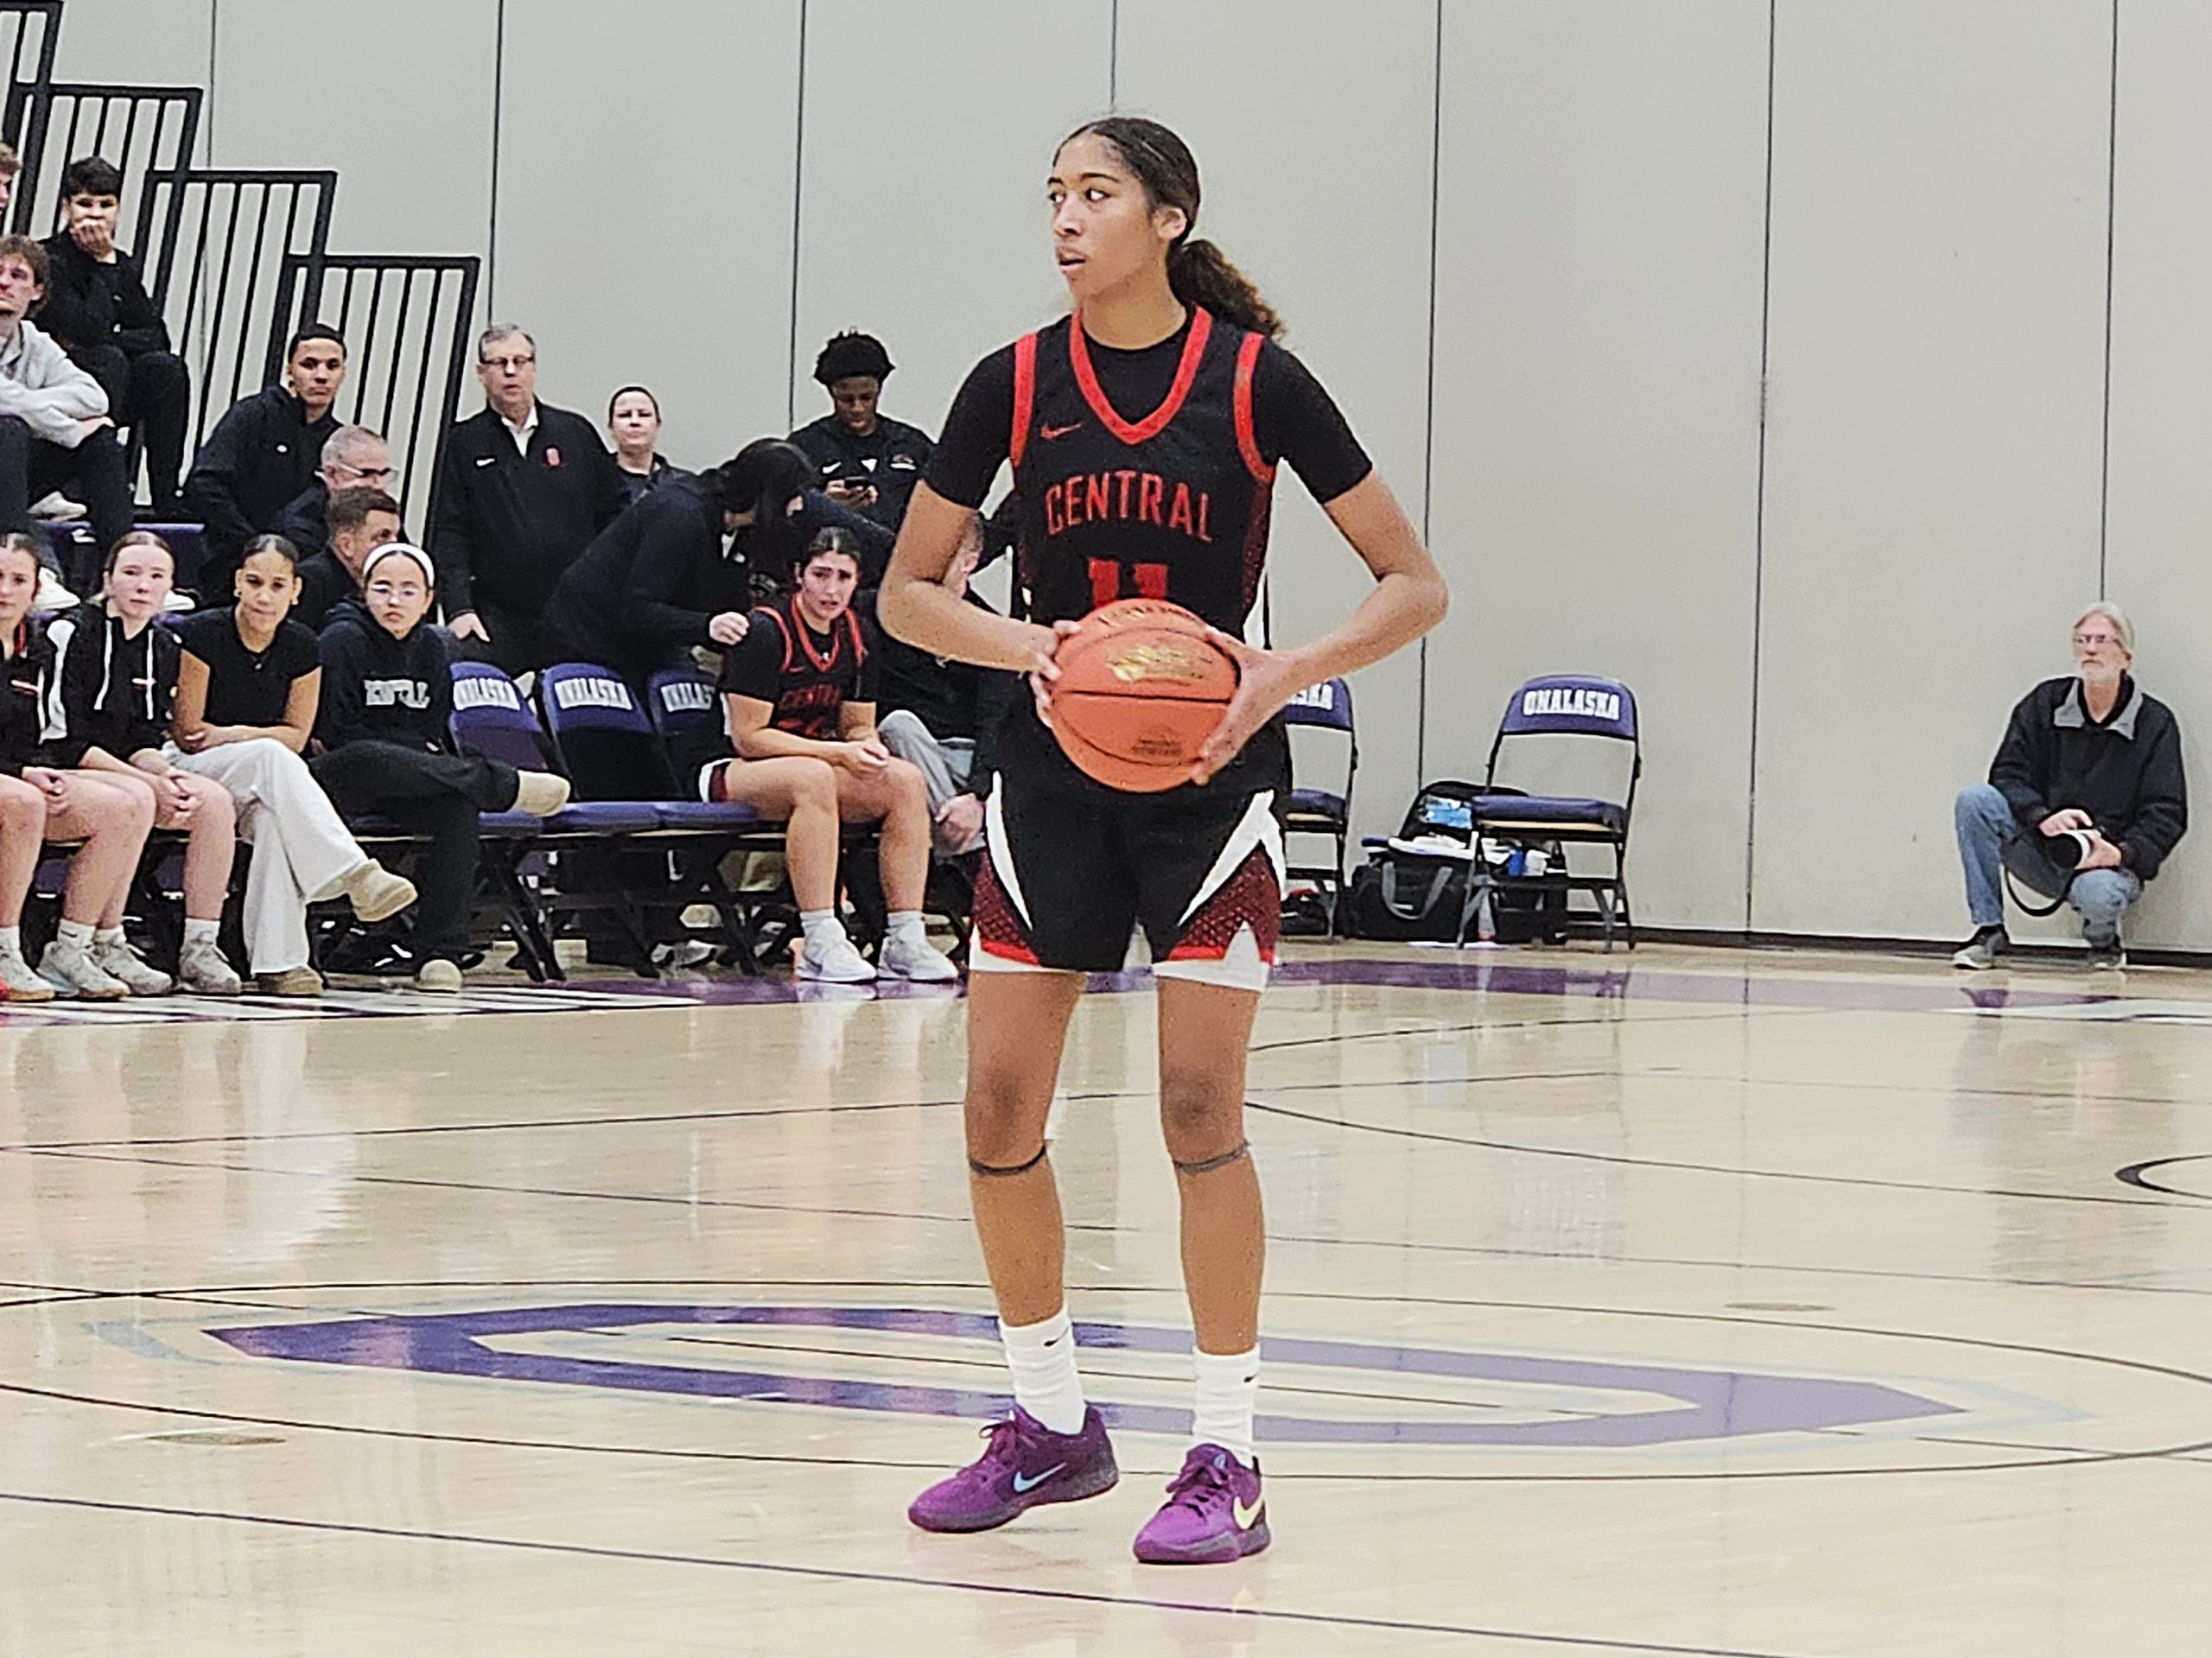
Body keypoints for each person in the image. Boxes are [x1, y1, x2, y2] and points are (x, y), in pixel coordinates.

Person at [880, 117, 1448, 1564]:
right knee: (1000, 1113)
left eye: (1097, 194)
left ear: (1169, 219)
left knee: (1199, 1110)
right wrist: (1036, 647)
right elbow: (906, 596)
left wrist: (1286, 668)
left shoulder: (1256, 380)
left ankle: (1228, 1449)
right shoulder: (1010, 382)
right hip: (1048, 783)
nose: (1067, 219)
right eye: (1055, 197)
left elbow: (1415, 581)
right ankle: (1051, 1423)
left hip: (1212, 785)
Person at [700, 527, 957, 986]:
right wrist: (839, 752)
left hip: (810, 764)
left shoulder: (858, 636)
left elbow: (858, 722)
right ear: (799, 576)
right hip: (726, 769)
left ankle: (904, 937)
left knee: (904, 780)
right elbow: (749, 737)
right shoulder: (765, 631)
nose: (831, 589)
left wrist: (865, 745)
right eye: (821, 574)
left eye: (843, 576)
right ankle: (819, 936)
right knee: (813, 778)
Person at [310, 542, 571, 991]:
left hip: (409, 775)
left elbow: (431, 730)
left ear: (428, 599)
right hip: (339, 775)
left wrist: (415, 760)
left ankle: (439, 952)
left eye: (408, 591)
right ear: (364, 591)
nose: (394, 601)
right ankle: (503, 784)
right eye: (383, 589)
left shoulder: (434, 648)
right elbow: (335, 733)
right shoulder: (341, 639)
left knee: (456, 806)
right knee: (370, 755)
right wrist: (412, 755)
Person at [170, 533, 420, 995]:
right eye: (254, 582)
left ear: (295, 591)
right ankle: (357, 873)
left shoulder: (304, 645)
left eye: (277, 585)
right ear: (237, 584)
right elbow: (189, 732)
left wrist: (236, 733)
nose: (265, 596)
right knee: (270, 756)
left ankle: (280, 963)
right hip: (191, 767)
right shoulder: (203, 632)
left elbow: (297, 736)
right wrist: (251, 739)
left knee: (272, 821)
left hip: (262, 775)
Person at [42, 530, 242, 994]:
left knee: (210, 799)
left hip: (118, 769)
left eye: (156, 576)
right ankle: (81, 943)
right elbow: (65, 739)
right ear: (108, 579)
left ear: (170, 587)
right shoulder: (72, 632)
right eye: (131, 573)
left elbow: (141, 736)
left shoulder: (163, 645)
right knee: (134, 797)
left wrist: (165, 773)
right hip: (64, 765)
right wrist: (141, 779)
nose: (142, 585)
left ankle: (199, 946)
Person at [1952, 602, 2186, 973]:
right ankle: (1988, 928)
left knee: (2100, 895)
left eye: (2102, 641)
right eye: (2082, 640)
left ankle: (2103, 942)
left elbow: (2167, 811)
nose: (2090, 649)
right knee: (1975, 801)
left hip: (2106, 864)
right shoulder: (2044, 703)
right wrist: (2040, 816)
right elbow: (2007, 773)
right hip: (2042, 848)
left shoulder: (2154, 723)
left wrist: (2120, 852)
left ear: (2125, 657)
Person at [0, 530, 158, 1001]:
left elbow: (44, 733)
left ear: (35, 589)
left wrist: (42, 769)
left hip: (15, 775)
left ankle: (74, 946)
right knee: (25, 801)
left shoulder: (37, 649)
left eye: (17, 579)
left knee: (127, 804)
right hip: (12, 781)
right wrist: (22, 772)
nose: (5, 589)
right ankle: (6, 948)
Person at [541, 440, 845, 683]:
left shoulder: (740, 530)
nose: (800, 505)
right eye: (794, 495)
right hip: (588, 640)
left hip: (648, 645)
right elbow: (637, 607)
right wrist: (707, 626)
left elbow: (730, 599)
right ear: (768, 496)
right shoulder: (680, 516)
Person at [430, 325, 628, 676]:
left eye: (520, 361)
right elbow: (450, 531)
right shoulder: (462, 443)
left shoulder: (575, 433)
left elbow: (615, 516)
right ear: (481, 373)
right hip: (499, 617)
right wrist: (460, 609)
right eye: (499, 362)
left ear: (534, 368)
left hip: (575, 613)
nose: (510, 372)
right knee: (455, 670)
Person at [37, 156, 192, 517]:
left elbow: (155, 335)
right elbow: (86, 327)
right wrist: (104, 270)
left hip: (112, 377)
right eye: (85, 204)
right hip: (61, 384)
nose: (96, 215)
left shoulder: (119, 262)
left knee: (165, 368)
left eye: (106, 205)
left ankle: (166, 494)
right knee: (108, 360)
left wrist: (106, 337)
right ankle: (94, 479)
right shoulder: (47, 259)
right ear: (66, 208)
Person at [873, 511, 1014, 859]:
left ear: (969, 562)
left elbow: (996, 724)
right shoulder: (881, 611)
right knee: (899, 726)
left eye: (941, 555)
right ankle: (972, 856)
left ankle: (958, 838)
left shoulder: (992, 633)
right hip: (899, 758)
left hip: (965, 760)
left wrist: (976, 797)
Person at [184, 323, 347, 598]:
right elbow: (204, 484)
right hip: (235, 569)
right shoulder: (253, 415)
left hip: (304, 576)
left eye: (332, 366)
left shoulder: (338, 439)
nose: (321, 375)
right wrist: (254, 544)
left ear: (343, 373)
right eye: (309, 364)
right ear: (289, 369)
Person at [0, 234, 133, 563]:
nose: (4, 283)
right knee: (10, 428)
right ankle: (17, 561)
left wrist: (33, 405)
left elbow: (94, 398)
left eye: (18, 276)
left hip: (12, 472)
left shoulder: (33, 340)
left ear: (37, 292)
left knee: (101, 440)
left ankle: (126, 563)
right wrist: (70, 430)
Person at [790, 331, 933, 530]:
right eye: (847, 399)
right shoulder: (804, 448)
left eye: (866, 398)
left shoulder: (912, 444)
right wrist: (822, 506)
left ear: (879, 390)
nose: (857, 408)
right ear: (832, 392)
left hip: (903, 556)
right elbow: (778, 517)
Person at [271, 425, 395, 565]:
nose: (378, 485)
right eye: (367, 474)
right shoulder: (299, 525)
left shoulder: (383, 514)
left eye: (384, 474)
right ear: (332, 474)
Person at [296, 485, 402, 632]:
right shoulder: (311, 582)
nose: (394, 545)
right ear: (346, 545)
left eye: (396, 536)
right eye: (382, 536)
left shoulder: (387, 585)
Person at [607, 385, 679, 505]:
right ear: (611, 427)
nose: (635, 421)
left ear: (657, 424)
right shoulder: (592, 482)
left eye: (644, 415)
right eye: (625, 415)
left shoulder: (685, 486)